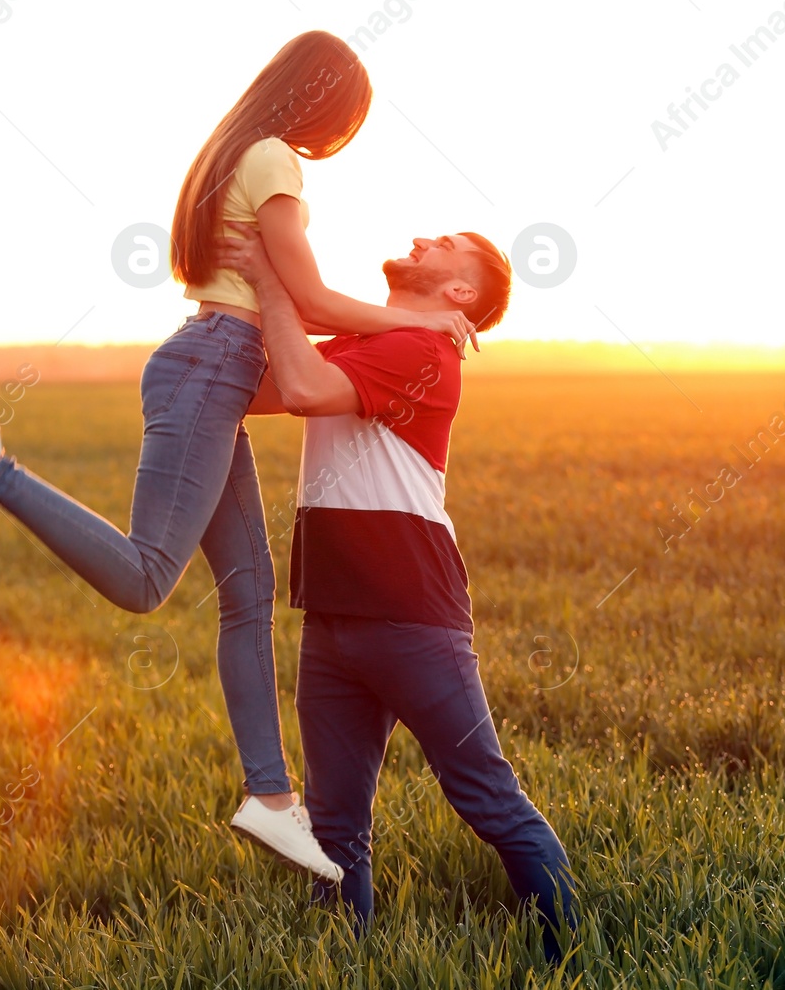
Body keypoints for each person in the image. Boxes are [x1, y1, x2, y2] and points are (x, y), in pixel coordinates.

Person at [0, 31, 477, 883]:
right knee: (148, 574)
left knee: (249, 591)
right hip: (213, 365)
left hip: (214, 366)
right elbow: (306, 299)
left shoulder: (234, 150)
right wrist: (419, 321)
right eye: (344, 119)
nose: (336, 137)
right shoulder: (273, 159)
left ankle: (269, 798)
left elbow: (287, 309)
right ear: (323, 102)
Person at [214, 221, 578, 963]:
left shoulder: (420, 351)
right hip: (335, 616)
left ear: (460, 292)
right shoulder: (373, 338)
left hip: (413, 614)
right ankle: (341, 964)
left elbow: (307, 389)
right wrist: (252, 297)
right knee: (337, 826)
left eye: (443, 242)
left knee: (489, 799)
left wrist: (264, 277)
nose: (420, 238)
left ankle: (571, 954)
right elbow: (262, 390)